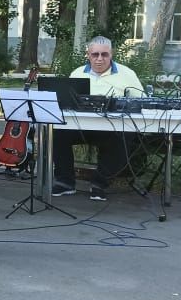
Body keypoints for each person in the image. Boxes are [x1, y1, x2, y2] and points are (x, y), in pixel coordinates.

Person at [51, 36, 144, 201]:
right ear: (88, 55)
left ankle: (100, 184)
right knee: (57, 133)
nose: (100, 59)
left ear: (111, 54)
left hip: (111, 128)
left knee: (125, 136)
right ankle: (65, 182)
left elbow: (141, 102)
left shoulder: (127, 74)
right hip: (80, 126)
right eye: (95, 55)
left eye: (104, 55)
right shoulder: (77, 73)